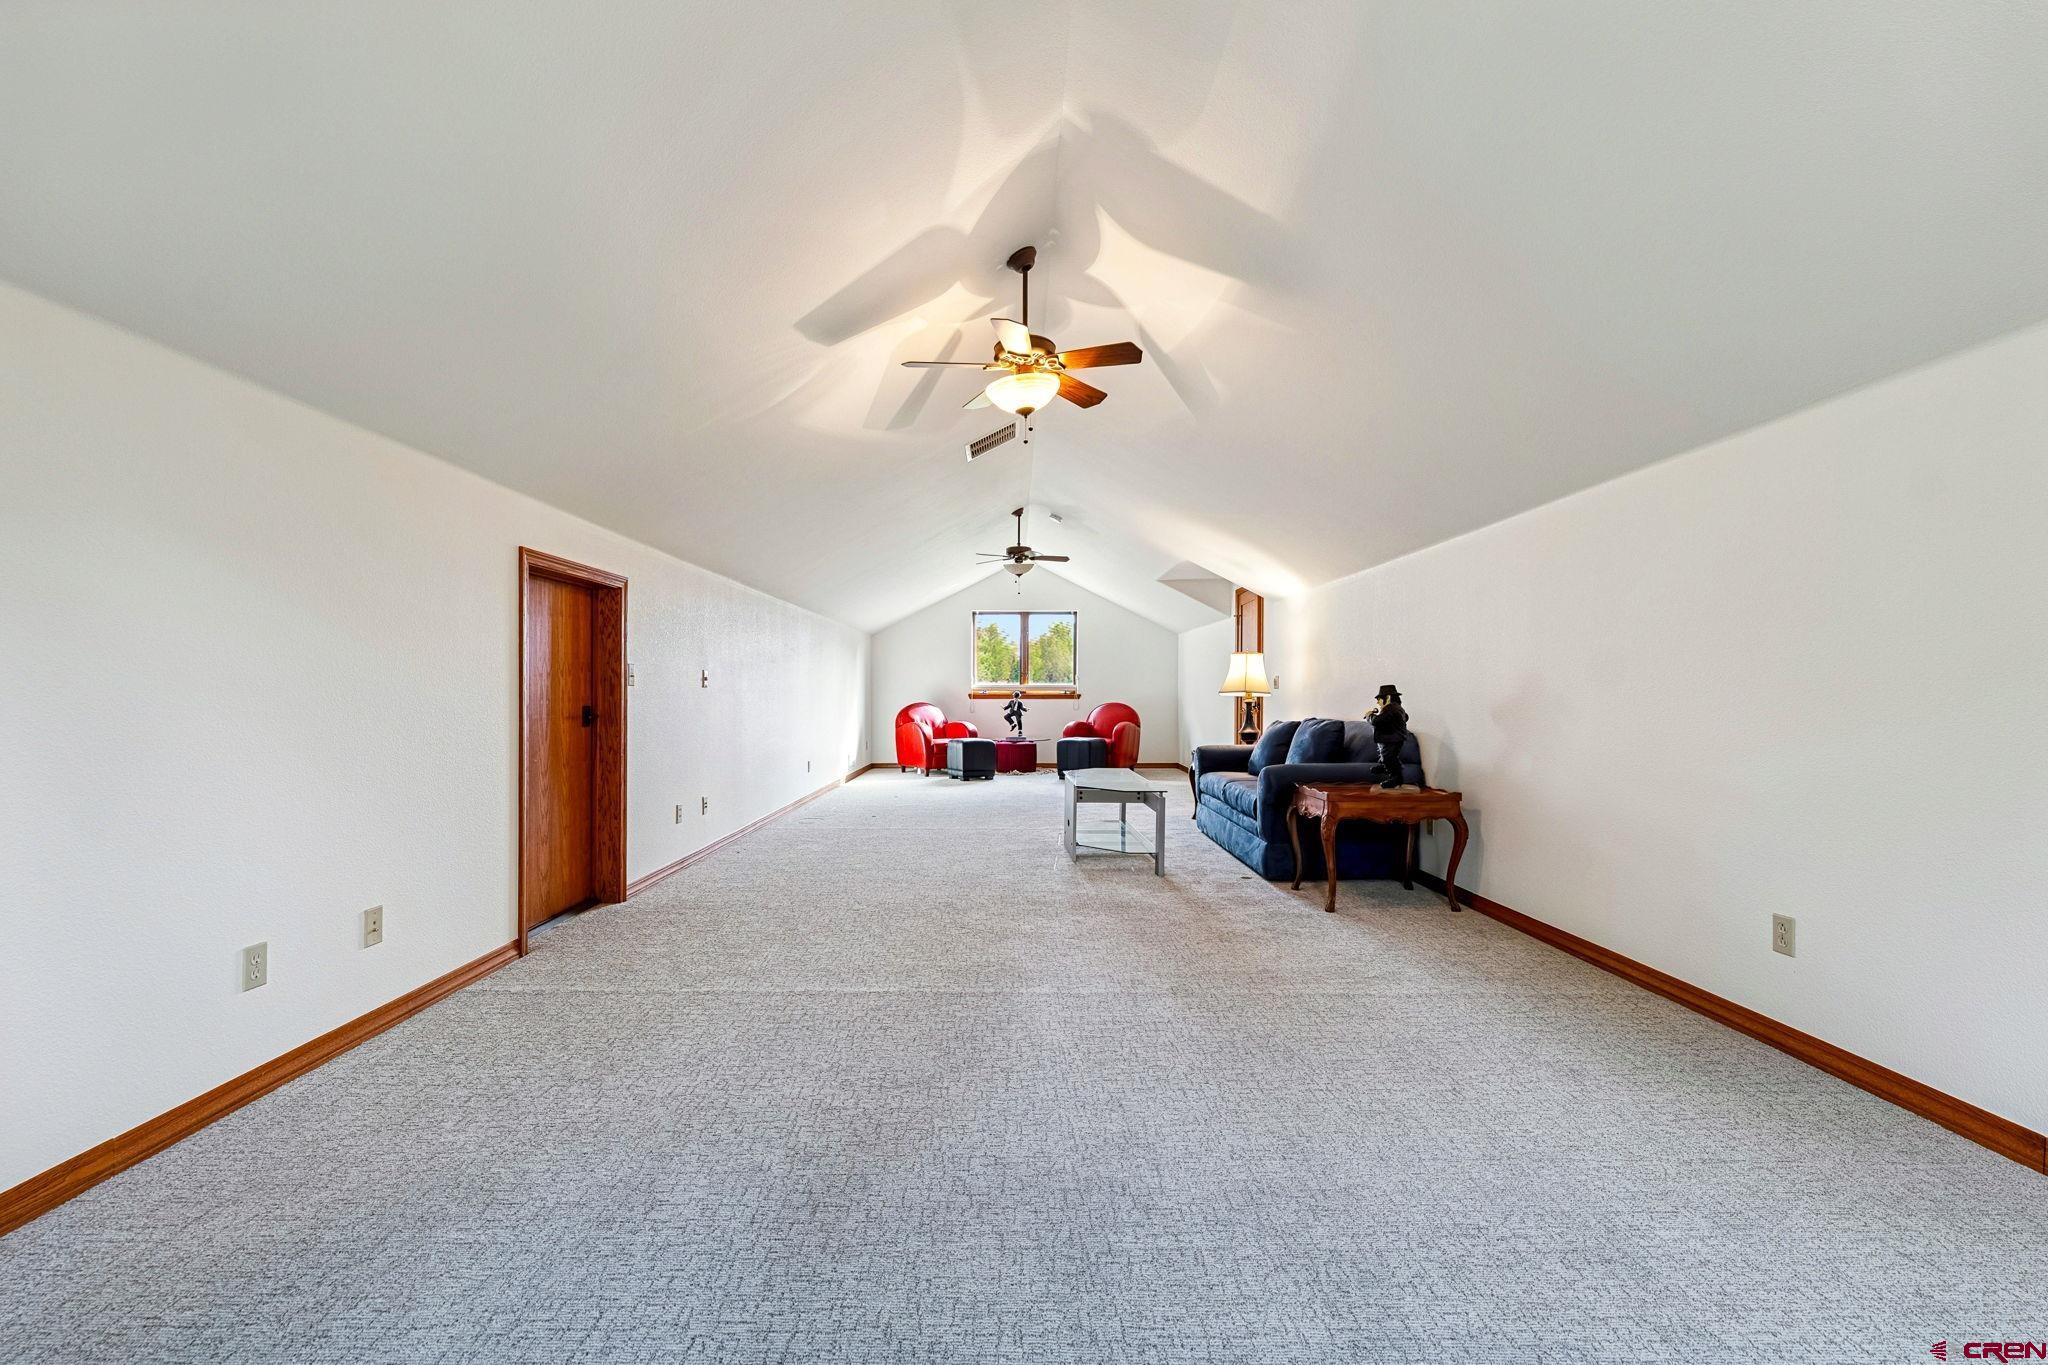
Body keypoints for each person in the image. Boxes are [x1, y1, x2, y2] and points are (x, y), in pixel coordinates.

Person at [1367, 684, 1412, 789]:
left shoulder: (1391, 708)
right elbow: (1405, 717)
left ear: (1387, 697)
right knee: (1387, 757)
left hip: (1392, 739)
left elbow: (1376, 721)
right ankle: (1385, 766)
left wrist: (1370, 715)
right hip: (1391, 738)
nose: (1377, 702)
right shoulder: (1396, 708)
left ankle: (1396, 779)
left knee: (1389, 758)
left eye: (1379, 699)